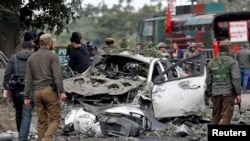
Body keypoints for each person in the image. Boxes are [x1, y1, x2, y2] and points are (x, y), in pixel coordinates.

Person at [23, 33, 67, 141]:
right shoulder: (52, 56)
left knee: (41, 121)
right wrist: (62, 92)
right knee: (55, 119)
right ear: (49, 43)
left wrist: (26, 97)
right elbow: (57, 76)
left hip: (37, 92)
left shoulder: (31, 58)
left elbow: (28, 79)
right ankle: (46, 139)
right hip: (49, 92)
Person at [3, 41, 35, 141]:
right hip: (30, 90)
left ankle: (21, 134)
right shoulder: (34, 58)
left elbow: (7, 75)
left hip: (16, 91)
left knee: (18, 113)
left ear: (22, 48)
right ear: (32, 49)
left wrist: (6, 88)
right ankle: (22, 138)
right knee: (27, 114)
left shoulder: (13, 58)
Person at [206, 39, 241, 125]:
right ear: (229, 48)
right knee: (227, 116)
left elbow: (208, 80)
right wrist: (238, 93)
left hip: (215, 93)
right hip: (228, 93)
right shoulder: (232, 62)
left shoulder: (211, 63)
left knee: (216, 116)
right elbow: (235, 78)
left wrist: (210, 94)